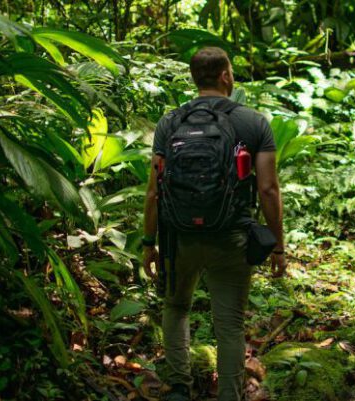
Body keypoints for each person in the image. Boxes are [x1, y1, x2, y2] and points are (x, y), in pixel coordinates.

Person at [141, 47, 288, 401]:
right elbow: (268, 189)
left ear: (194, 78)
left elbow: (152, 192)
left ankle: (178, 387)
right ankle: (229, 395)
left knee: (176, 307)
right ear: (225, 76)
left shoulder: (170, 123)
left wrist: (149, 243)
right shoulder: (253, 122)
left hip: (178, 238)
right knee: (230, 325)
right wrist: (278, 246)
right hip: (231, 238)